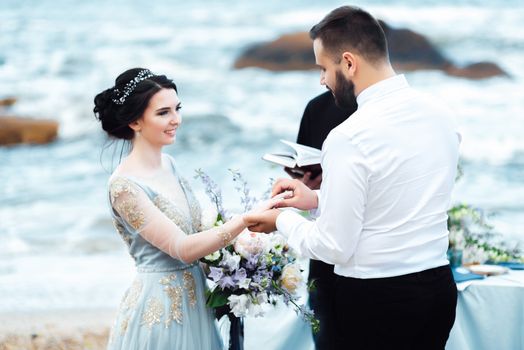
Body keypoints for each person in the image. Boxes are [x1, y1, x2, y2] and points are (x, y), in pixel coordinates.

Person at [246, 6, 460, 350]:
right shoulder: (441, 114)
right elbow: (394, 194)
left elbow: (333, 246)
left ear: (348, 63)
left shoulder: (350, 136)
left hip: (375, 302)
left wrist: (282, 219)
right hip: (436, 291)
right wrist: (316, 198)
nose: (321, 80)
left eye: (323, 68)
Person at [94, 68, 283, 350]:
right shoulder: (124, 187)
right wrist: (245, 220)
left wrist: (240, 267)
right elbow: (182, 248)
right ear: (135, 121)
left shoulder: (170, 164)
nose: (176, 120)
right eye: (163, 113)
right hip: (161, 312)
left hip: (197, 302)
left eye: (177, 109)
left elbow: (198, 233)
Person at [289, 91, 356, 350]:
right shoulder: (316, 108)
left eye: (324, 68)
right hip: (323, 260)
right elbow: (301, 169)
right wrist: (306, 185)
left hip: (371, 263)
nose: (322, 79)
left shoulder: (380, 113)